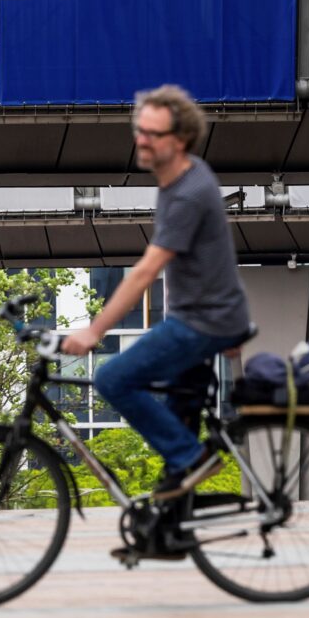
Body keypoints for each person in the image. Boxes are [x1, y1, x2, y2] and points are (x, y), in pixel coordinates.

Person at [60, 85, 252, 503]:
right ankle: (176, 512)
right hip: (210, 318)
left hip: (202, 324)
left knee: (112, 378)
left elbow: (146, 271)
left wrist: (94, 331)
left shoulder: (187, 194)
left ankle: (192, 457)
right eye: (139, 130)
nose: (142, 140)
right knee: (174, 427)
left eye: (153, 133)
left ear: (179, 140)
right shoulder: (183, 177)